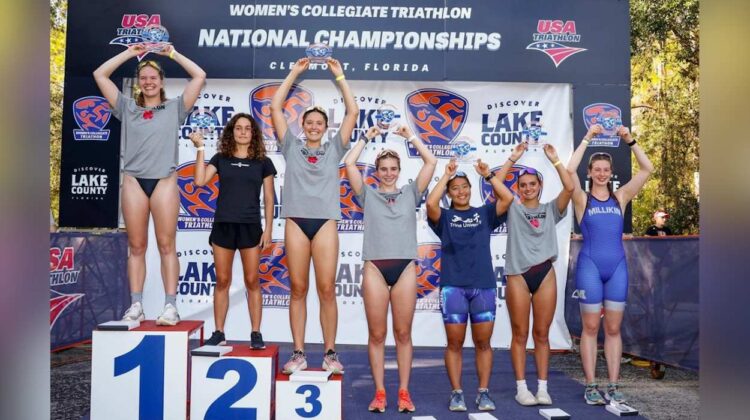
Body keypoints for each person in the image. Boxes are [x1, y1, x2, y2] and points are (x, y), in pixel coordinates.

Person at [93, 44, 206, 325]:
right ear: (139, 84)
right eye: (143, 77)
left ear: (162, 82)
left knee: (167, 245)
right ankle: (136, 305)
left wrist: (172, 53)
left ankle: (170, 307)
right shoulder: (127, 107)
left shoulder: (175, 107)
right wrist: (132, 53)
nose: (148, 81)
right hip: (133, 180)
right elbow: (100, 75)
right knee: (137, 246)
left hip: (164, 181)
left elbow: (199, 75)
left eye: (153, 77)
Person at [270, 57, 358, 374]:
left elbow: (353, 112)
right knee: (298, 289)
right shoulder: (290, 145)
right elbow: (275, 108)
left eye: (319, 123)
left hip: (325, 224)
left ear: (325, 127)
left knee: (326, 289)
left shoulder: (335, 148)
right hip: (296, 220)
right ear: (303, 125)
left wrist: (339, 75)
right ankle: (298, 353)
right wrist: (294, 71)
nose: (314, 126)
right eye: (309, 122)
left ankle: (330, 354)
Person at [344, 125, 436, 413]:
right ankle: (380, 392)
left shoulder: (411, 193)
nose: (387, 173)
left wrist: (410, 137)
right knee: (376, 334)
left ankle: (404, 392)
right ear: (376, 171)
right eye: (382, 168)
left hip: (405, 267)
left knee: (403, 333)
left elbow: (431, 162)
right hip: (375, 267)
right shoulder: (367, 194)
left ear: (398, 170)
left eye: (392, 168)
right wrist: (365, 138)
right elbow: (348, 163)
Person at [567, 124, 653, 404]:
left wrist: (631, 141)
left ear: (610, 173)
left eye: (606, 169)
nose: (602, 174)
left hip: (617, 268)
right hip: (589, 268)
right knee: (590, 328)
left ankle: (614, 385)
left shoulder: (621, 198)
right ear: (590, 173)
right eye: (597, 169)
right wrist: (587, 138)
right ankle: (591, 384)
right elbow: (569, 171)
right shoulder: (582, 199)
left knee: (614, 329)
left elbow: (647, 169)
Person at [426, 158, 514, 412]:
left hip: (483, 287)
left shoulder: (484, 213)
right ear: (449, 193)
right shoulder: (444, 216)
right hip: (453, 288)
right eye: (455, 188)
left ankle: (483, 393)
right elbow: (431, 203)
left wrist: (488, 176)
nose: (461, 191)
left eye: (465, 186)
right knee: (454, 343)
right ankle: (456, 393)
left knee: (483, 343)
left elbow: (507, 198)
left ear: (471, 189)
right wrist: (445, 177)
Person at [189, 113, 276, 349]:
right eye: (239, 128)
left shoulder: (263, 162)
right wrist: (199, 149)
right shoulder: (221, 158)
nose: (243, 132)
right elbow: (199, 181)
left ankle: (256, 333)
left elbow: (269, 198)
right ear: (232, 132)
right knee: (223, 280)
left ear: (253, 133)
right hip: (224, 225)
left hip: (250, 226)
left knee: (252, 280)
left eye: (248, 128)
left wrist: (268, 229)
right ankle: (219, 332)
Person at [501, 142, 574, 406]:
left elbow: (570, 188)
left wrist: (555, 160)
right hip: (518, 276)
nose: (528, 188)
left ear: (539, 187)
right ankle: (522, 388)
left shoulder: (551, 209)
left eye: (533, 184)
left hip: (545, 274)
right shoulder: (512, 207)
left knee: (542, 334)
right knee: (520, 334)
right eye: (523, 185)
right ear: (518, 189)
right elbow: (496, 184)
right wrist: (513, 158)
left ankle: (542, 388)